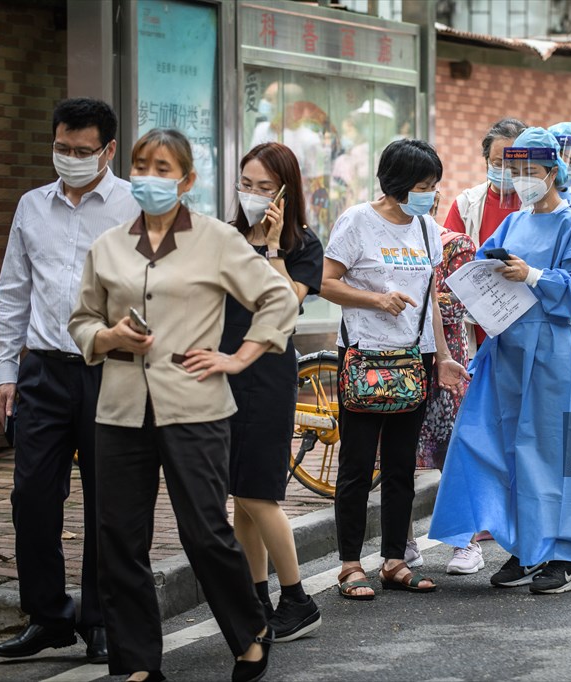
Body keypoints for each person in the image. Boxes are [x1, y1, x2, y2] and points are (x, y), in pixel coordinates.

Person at [68, 128, 298, 681]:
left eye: (163, 168)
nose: (150, 176)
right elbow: (81, 321)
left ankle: (249, 633)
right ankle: (137, 662)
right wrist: (109, 338)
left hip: (195, 406)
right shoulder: (109, 245)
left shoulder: (217, 239)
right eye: (141, 165)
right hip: (120, 410)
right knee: (119, 539)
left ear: (186, 179)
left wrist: (239, 357)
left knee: (204, 532)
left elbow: (277, 299)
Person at [429, 127, 571, 594]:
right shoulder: (514, 222)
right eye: (516, 171)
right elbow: (489, 267)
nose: (522, 179)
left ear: (554, 172)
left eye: (531, 171)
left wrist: (534, 274)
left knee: (558, 455)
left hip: (552, 354)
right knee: (503, 448)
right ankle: (527, 546)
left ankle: (567, 557)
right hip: (507, 349)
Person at [0, 98, 137, 664]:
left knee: (108, 500)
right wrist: (7, 370)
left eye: (81, 151)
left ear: (108, 150)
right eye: (61, 149)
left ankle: (101, 618)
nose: (69, 160)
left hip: (112, 371)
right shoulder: (32, 206)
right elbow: (12, 290)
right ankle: (48, 616)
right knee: (31, 496)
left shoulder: (132, 206)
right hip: (43, 371)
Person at [321, 139, 468, 600]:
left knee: (403, 466)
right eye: (424, 186)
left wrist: (441, 356)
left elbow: (429, 306)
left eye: (434, 186)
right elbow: (324, 282)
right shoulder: (357, 222)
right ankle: (348, 565)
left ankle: (394, 561)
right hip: (366, 357)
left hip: (414, 359)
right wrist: (376, 300)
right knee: (358, 466)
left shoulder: (426, 230)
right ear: (397, 185)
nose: (432, 194)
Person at [223, 142, 324, 641]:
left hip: (267, 375)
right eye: (247, 185)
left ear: (286, 192)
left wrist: (272, 248)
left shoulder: (303, 246)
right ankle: (258, 596)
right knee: (240, 495)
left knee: (259, 492)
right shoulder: (221, 238)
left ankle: (298, 599)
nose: (254, 196)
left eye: (265, 187)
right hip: (223, 371)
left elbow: (286, 305)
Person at [415, 209, 479, 575]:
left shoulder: (455, 245)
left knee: (452, 454)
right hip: (399, 361)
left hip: (445, 360)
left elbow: (462, 302)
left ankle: (466, 542)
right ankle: (403, 544)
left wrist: (416, 294)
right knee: (398, 456)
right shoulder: (386, 240)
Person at [444, 117, 527, 347]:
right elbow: (449, 265)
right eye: (498, 162)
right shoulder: (466, 205)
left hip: (527, 322)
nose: (506, 171)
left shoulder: (538, 206)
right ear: (486, 161)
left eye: (514, 164)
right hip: (478, 325)